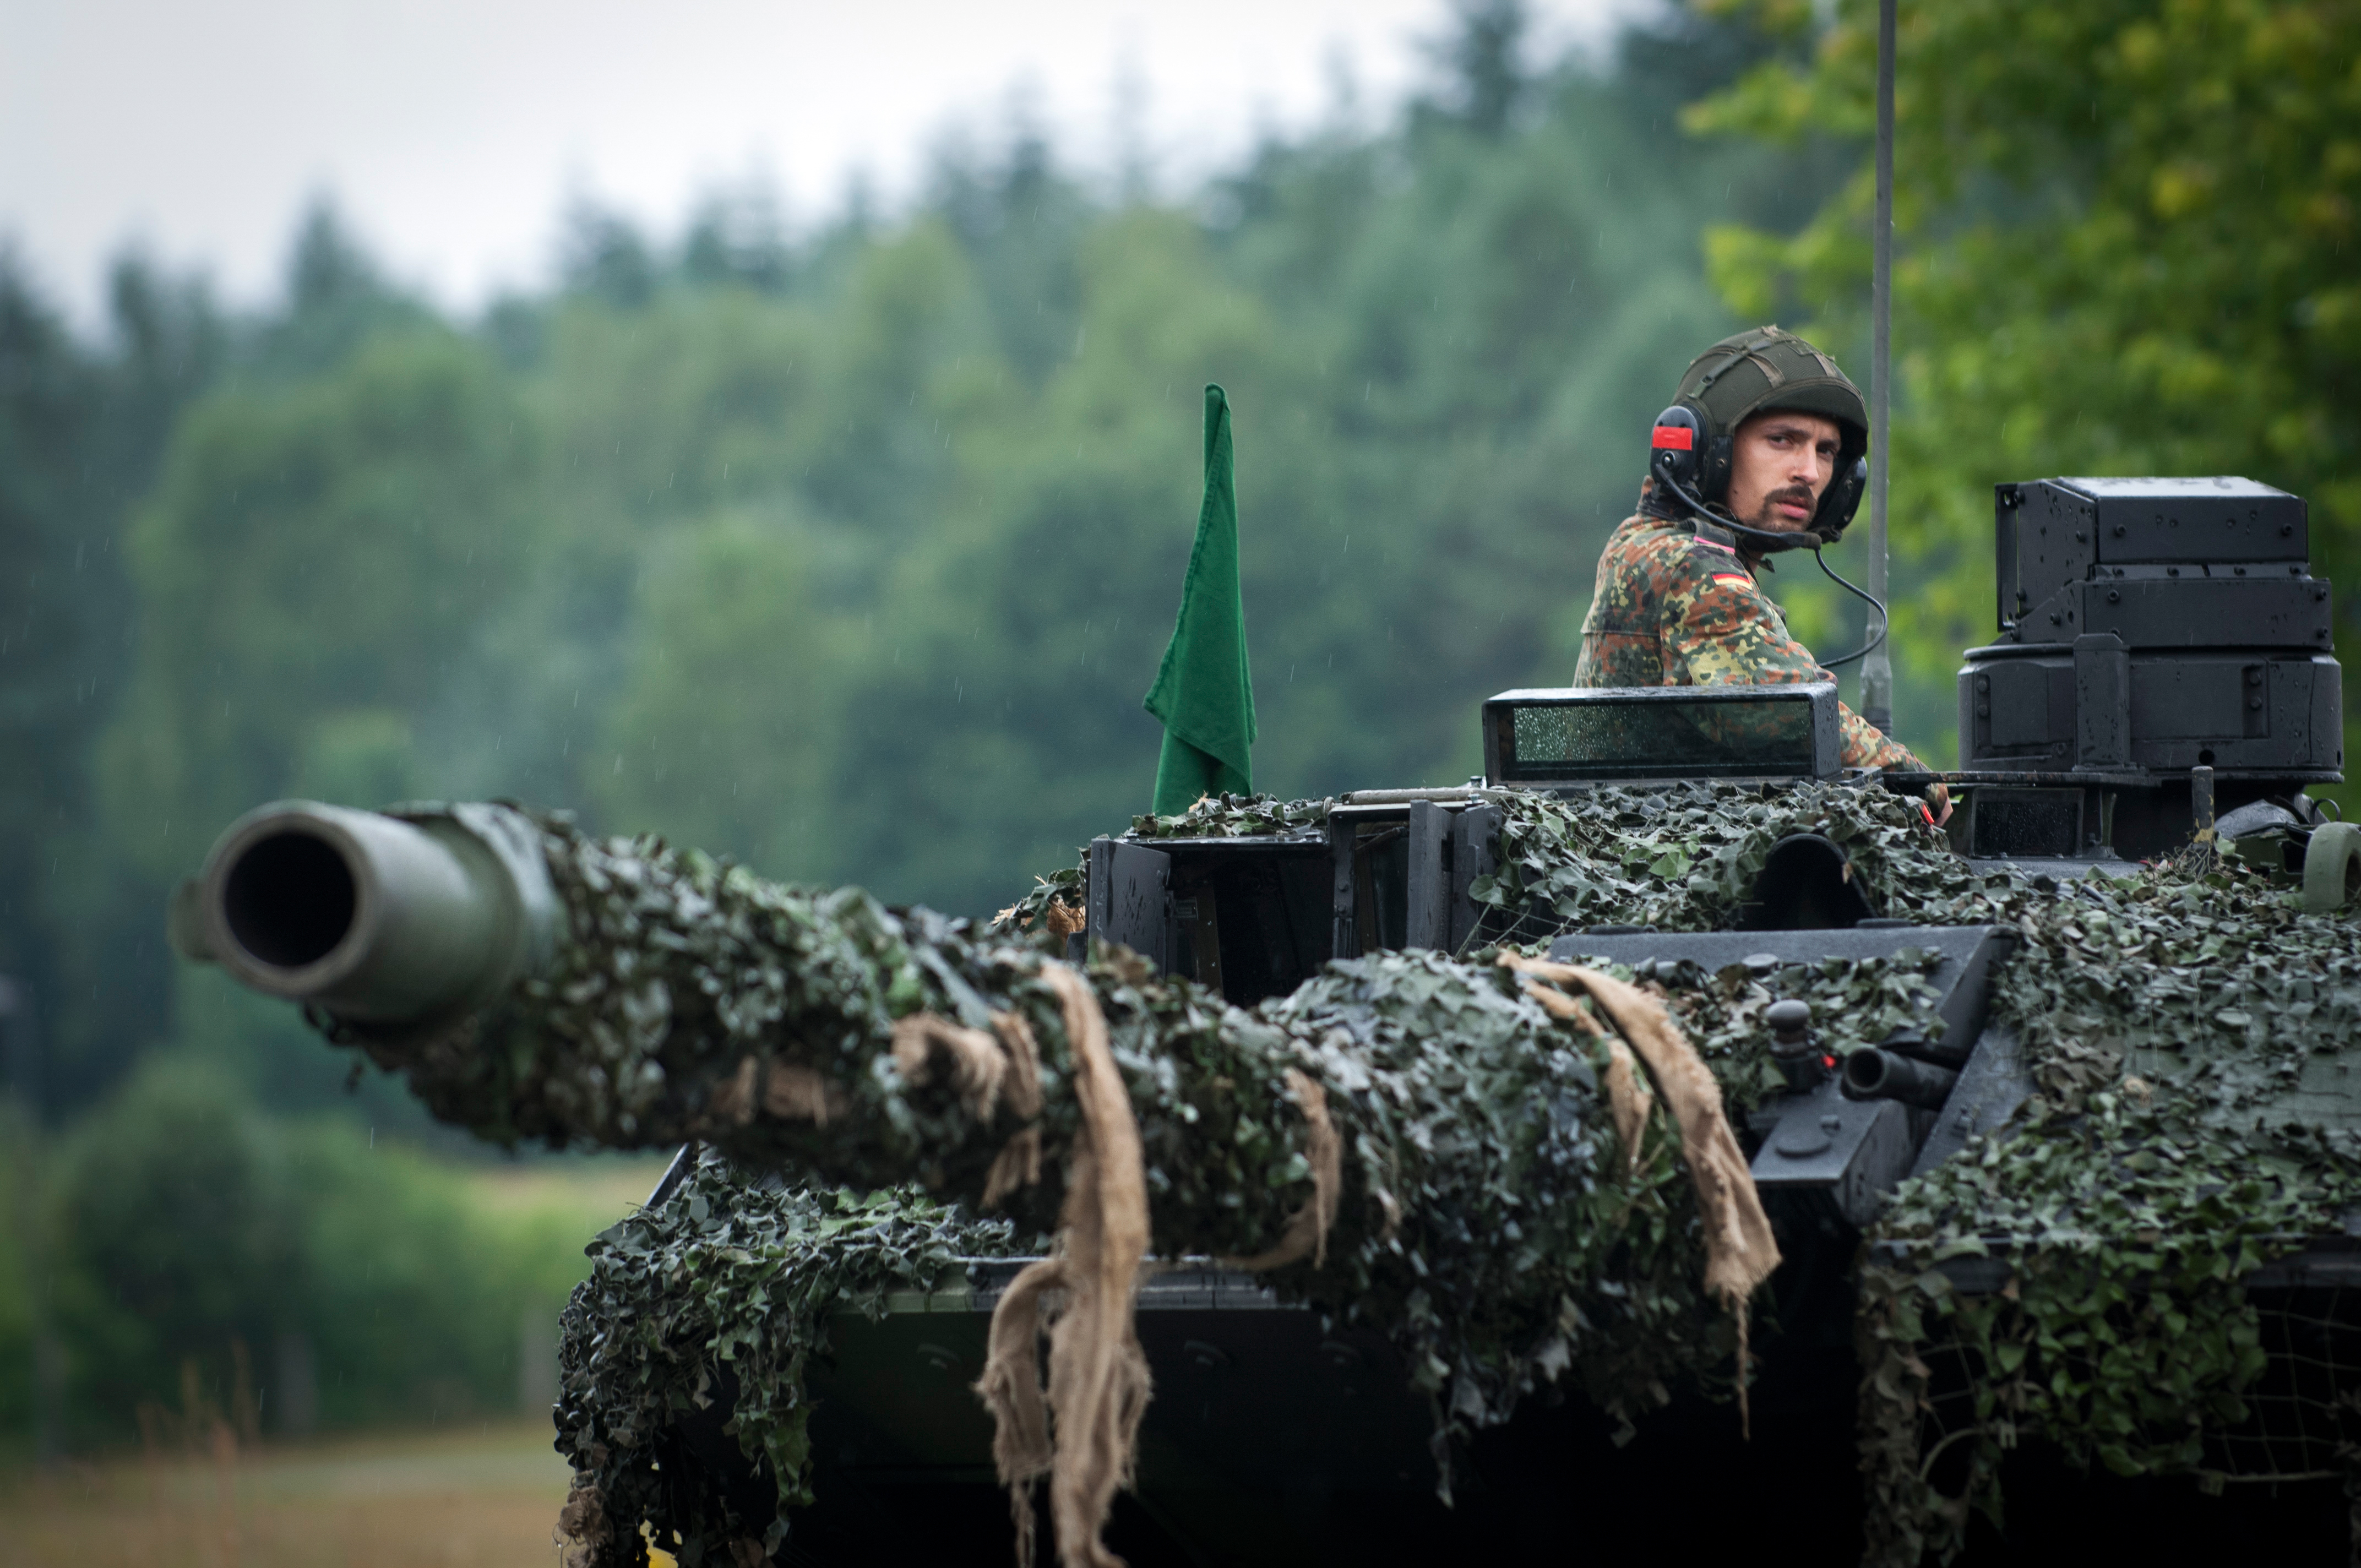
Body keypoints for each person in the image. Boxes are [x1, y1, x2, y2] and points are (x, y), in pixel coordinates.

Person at [1573, 325, 1950, 824]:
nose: (1811, 473)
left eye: (1825, 451)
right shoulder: (1693, 569)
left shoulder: (1640, 542)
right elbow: (1796, 716)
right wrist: (1922, 785)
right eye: (1783, 441)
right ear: (1708, 452)